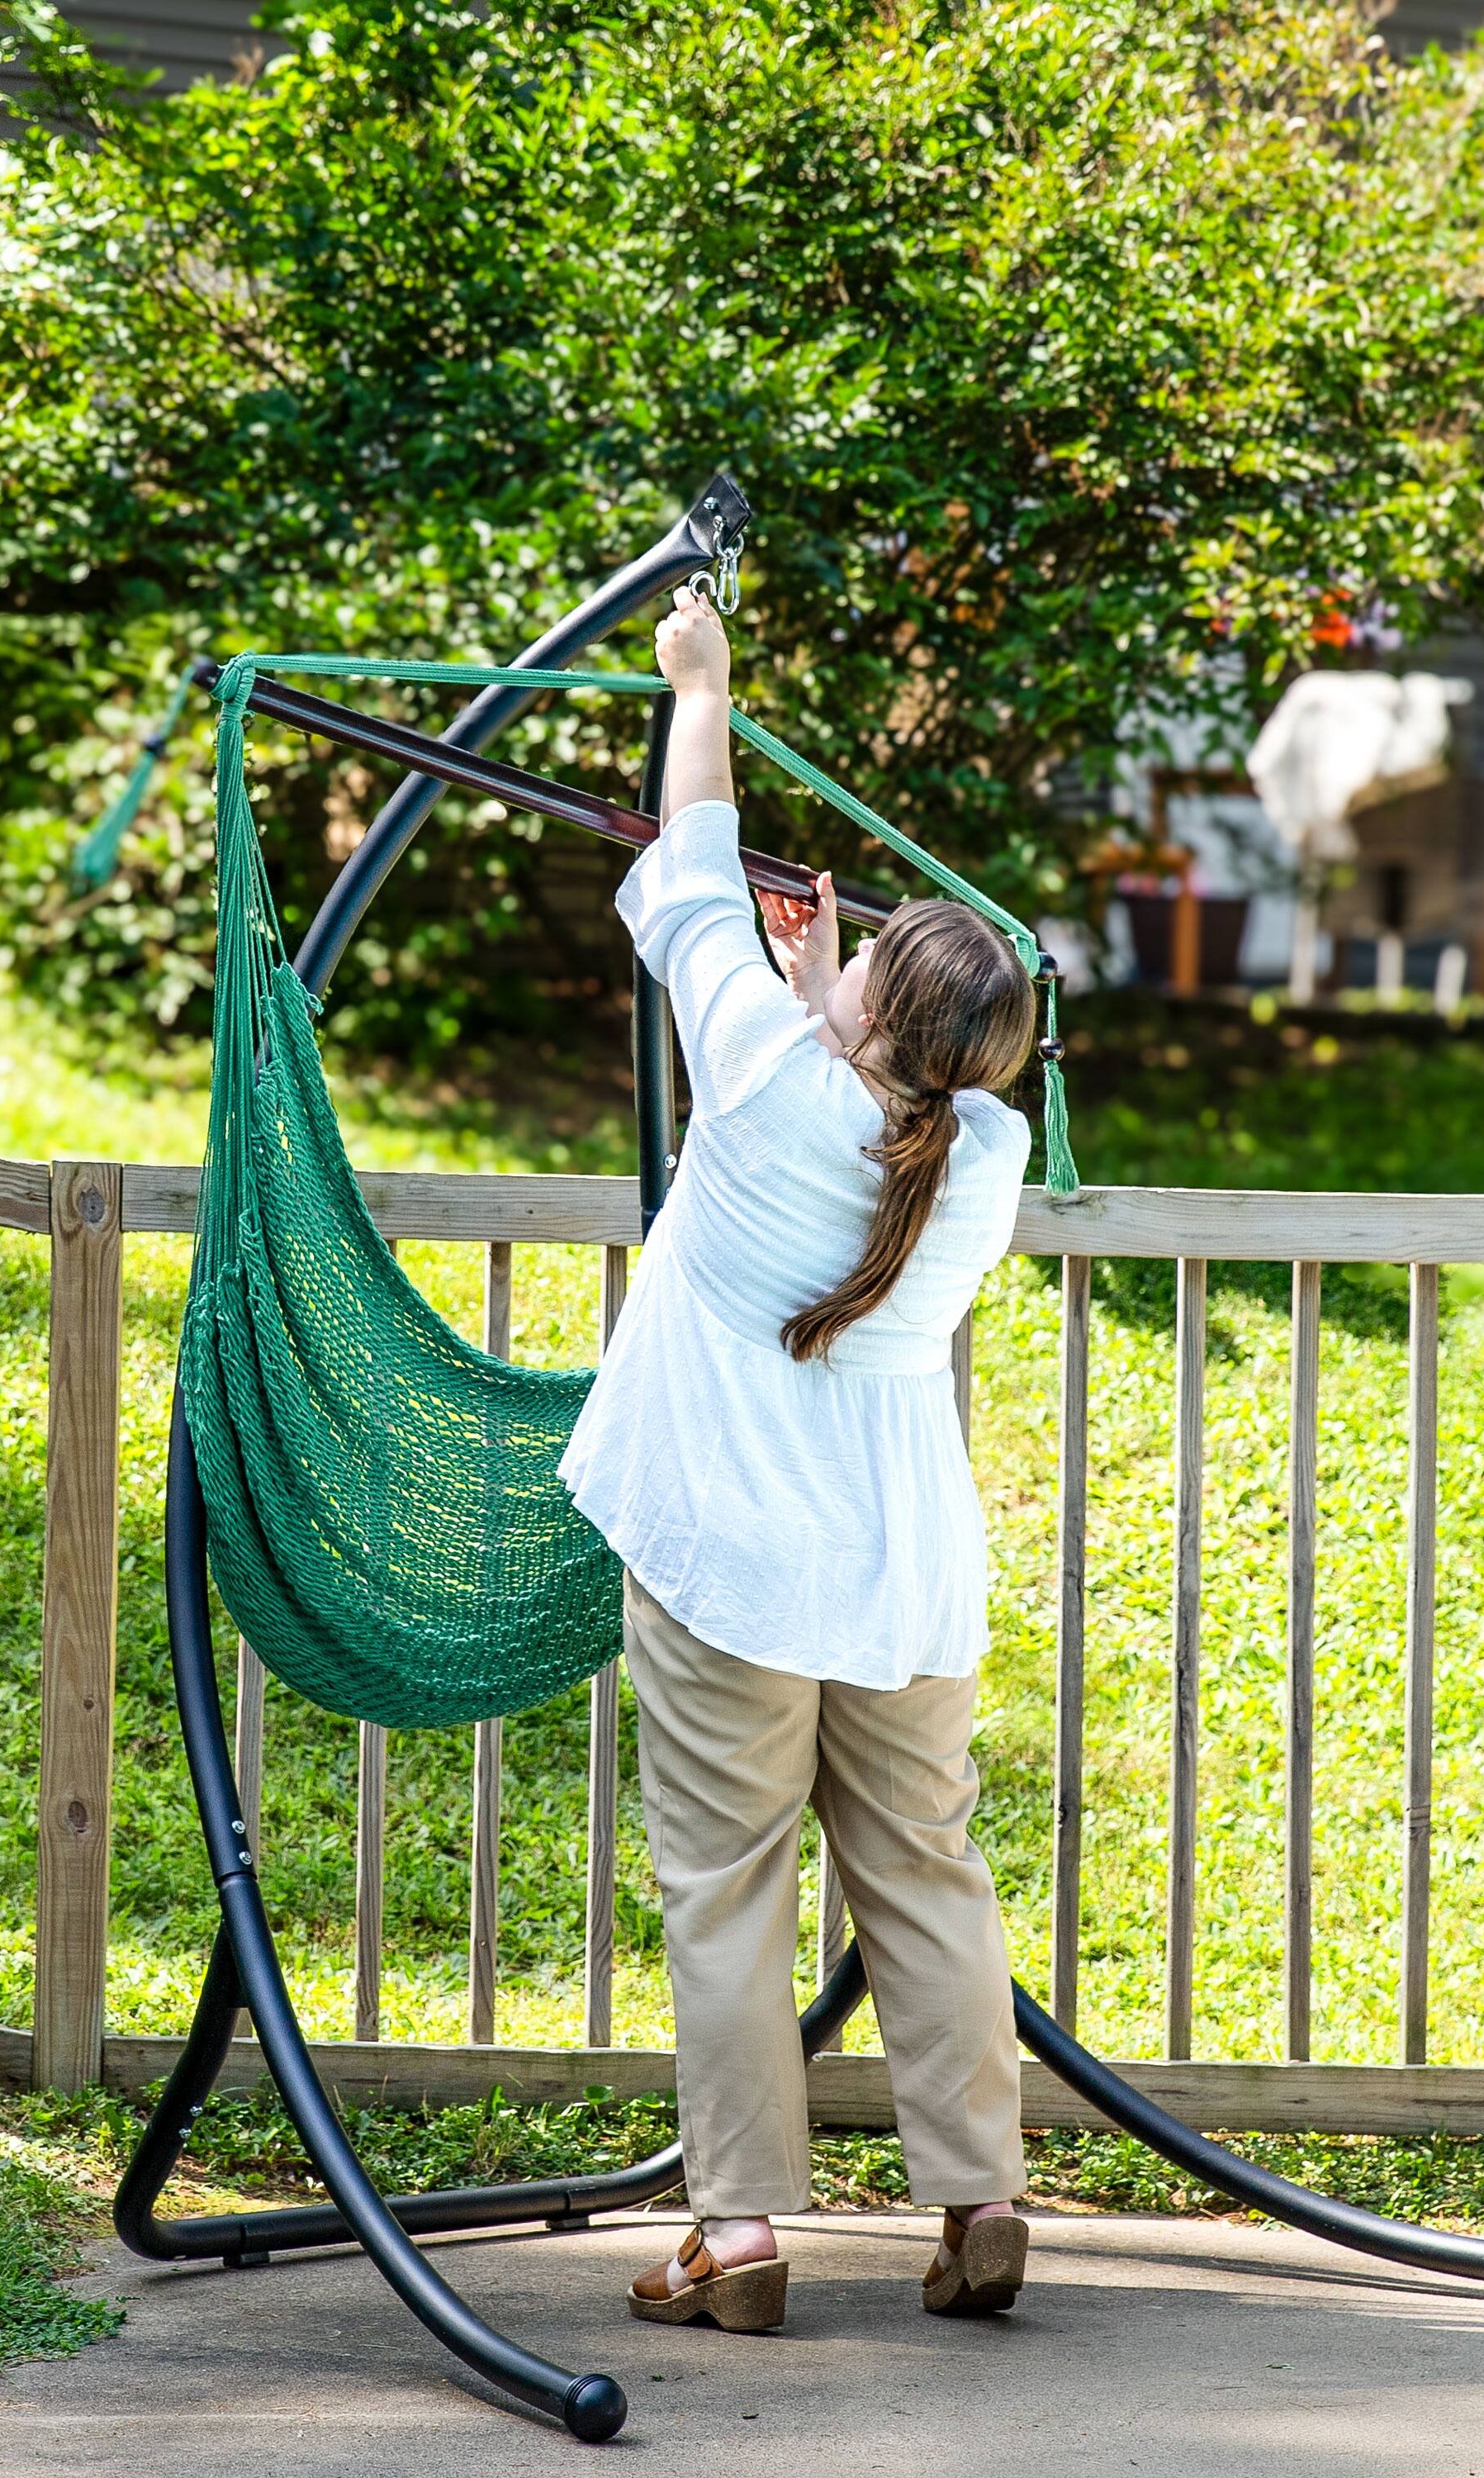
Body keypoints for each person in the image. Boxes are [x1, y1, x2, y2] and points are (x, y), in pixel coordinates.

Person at [558, 586, 1038, 2333]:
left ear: (855, 1009)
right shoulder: (986, 1152)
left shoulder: (760, 1070)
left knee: (728, 1887)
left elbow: (694, 859)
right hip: (902, 1577)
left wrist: (704, 679)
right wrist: (845, 992)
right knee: (924, 1866)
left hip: (734, 1568)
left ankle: (743, 2239)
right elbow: (921, 1088)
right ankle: (980, 2198)